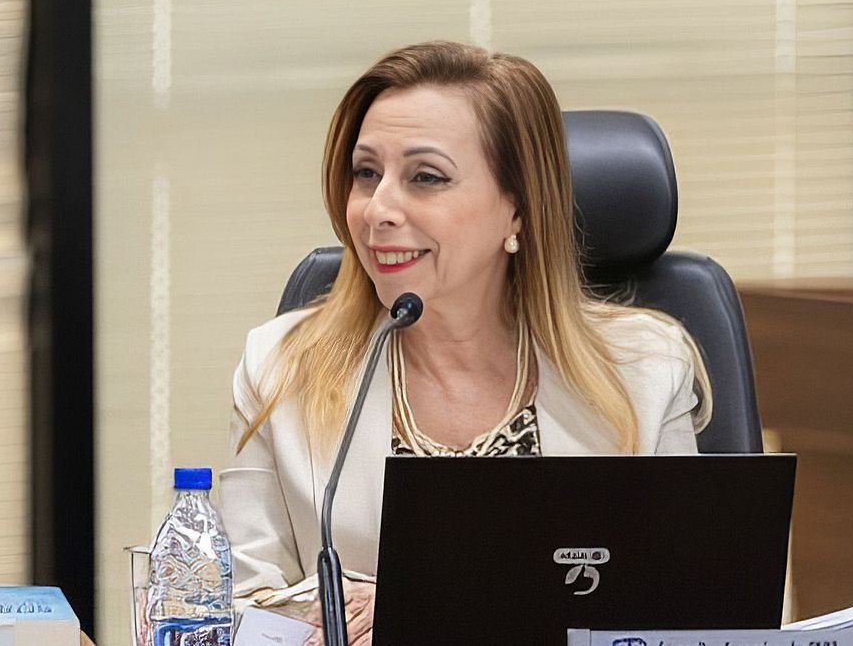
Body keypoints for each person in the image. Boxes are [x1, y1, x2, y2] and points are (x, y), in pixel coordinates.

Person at [218, 40, 712, 645]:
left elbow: (686, 613)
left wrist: (418, 606)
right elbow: (236, 609)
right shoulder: (280, 367)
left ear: (518, 209)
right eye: (366, 173)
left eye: (426, 177)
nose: (377, 209)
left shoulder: (644, 371)